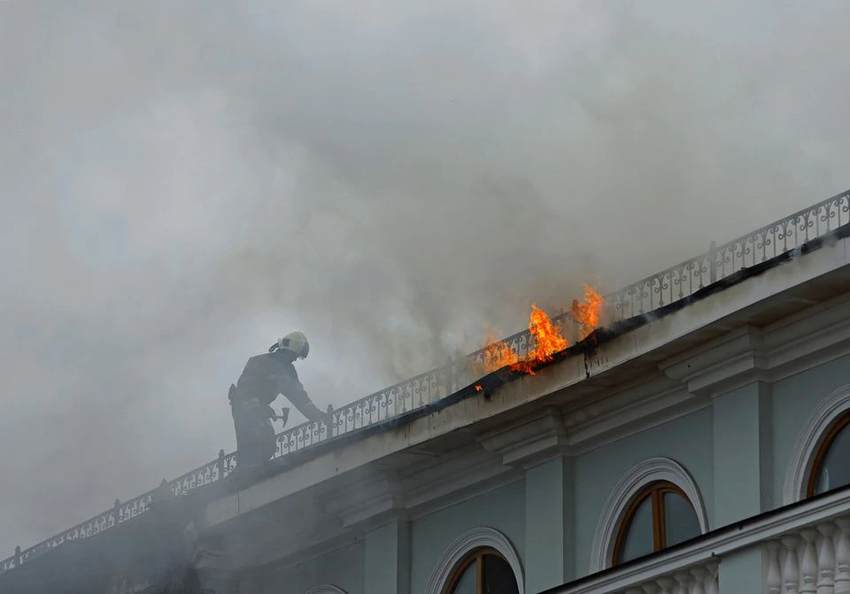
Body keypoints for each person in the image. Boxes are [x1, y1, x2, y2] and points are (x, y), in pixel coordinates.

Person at [228, 331, 329, 469]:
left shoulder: (288, 372)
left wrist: (317, 415)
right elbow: (245, 389)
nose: (294, 360)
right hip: (243, 407)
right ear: (285, 351)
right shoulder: (260, 362)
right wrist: (258, 408)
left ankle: (254, 472)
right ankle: (242, 474)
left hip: (260, 409)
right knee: (252, 443)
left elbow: (300, 398)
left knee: (269, 445)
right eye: (293, 356)